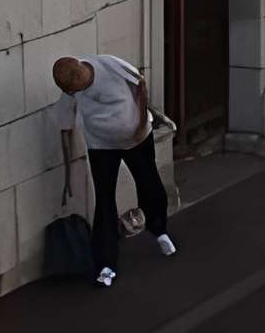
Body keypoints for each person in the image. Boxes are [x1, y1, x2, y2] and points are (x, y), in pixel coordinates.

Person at [53, 53, 175, 287]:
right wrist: (67, 170)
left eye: (77, 89)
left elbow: (140, 84)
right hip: (101, 146)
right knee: (105, 199)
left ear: (84, 74)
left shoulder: (108, 65)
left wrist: (141, 124)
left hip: (137, 139)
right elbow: (64, 127)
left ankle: (159, 230)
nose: (74, 94)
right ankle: (106, 264)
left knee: (149, 182)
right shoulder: (70, 92)